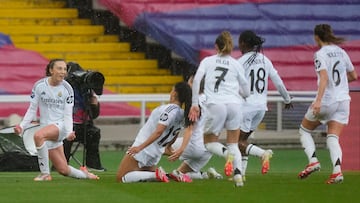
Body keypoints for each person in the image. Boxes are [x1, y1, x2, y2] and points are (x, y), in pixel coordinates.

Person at [13, 59, 99, 181]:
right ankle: (86, 175)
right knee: (63, 169)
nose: (63, 72)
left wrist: (69, 131)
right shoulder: (39, 86)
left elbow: (68, 114)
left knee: (38, 136)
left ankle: (45, 174)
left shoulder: (67, 89)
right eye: (59, 68)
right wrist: (22, 126)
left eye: (64, 69)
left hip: (61, 127)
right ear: (51, 70)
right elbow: (32, 109)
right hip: (47, 128)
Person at [189, 31, 250, 187]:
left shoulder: (208, 61)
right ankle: (238, 176)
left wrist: (194, 103)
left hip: (216, 104)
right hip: (235, 105)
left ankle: (226, 155)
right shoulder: (236, 64)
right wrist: (238, 94)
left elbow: (196, 80)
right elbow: (247, 91)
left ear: (216, 46)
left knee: (209, 143)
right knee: (233, 144)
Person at [298, 24, 357, 184]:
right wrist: (341, 84)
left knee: (304, 130)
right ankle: (337, 172)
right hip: (343, 101)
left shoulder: (320, 54)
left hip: (328, 101)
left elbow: (324, 78)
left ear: (316, 37)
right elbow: (353, 75)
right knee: (333, 137)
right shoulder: (341, 51)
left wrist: (318, 101)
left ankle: (313, 161)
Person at [237, 30, 293, 179]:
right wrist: (287, 99)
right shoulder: (264, 60)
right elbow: (278, 82)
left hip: (246, 107)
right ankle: (241, 174)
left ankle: (263, 154)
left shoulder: (240, 62)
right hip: (261, 108)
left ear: (243, 43)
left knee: (236, 142)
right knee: (243, 141)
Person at [116, 81, 192, 183]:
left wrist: (139, 147)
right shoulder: (183, 114)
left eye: (172, 90)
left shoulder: (169, 110)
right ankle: (171, 175)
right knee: (143, 174)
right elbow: (175, 132)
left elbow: (159, 131)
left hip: (145, 147)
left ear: (175, 93)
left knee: (121, 177)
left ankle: (158, 174)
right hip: (156, 152)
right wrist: (169, 146)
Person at [165, 74, 223, 181]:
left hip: (194, 145)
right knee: (178, 174)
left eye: (189, 82)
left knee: (156, 145)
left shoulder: (193, 103)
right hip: (208, 148)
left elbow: (189, 129)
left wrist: (181, 149)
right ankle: (205, 175)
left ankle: (137, 170)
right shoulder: (211, 101)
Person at [63, 62, 106, 172]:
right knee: (67, 135)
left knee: (94, 133)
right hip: (66, 125)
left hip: (83, 126)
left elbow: (94, 115)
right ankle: (61, 164)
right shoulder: (63, 88)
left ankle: (93, 165)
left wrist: (94, 104)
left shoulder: (86, 89)